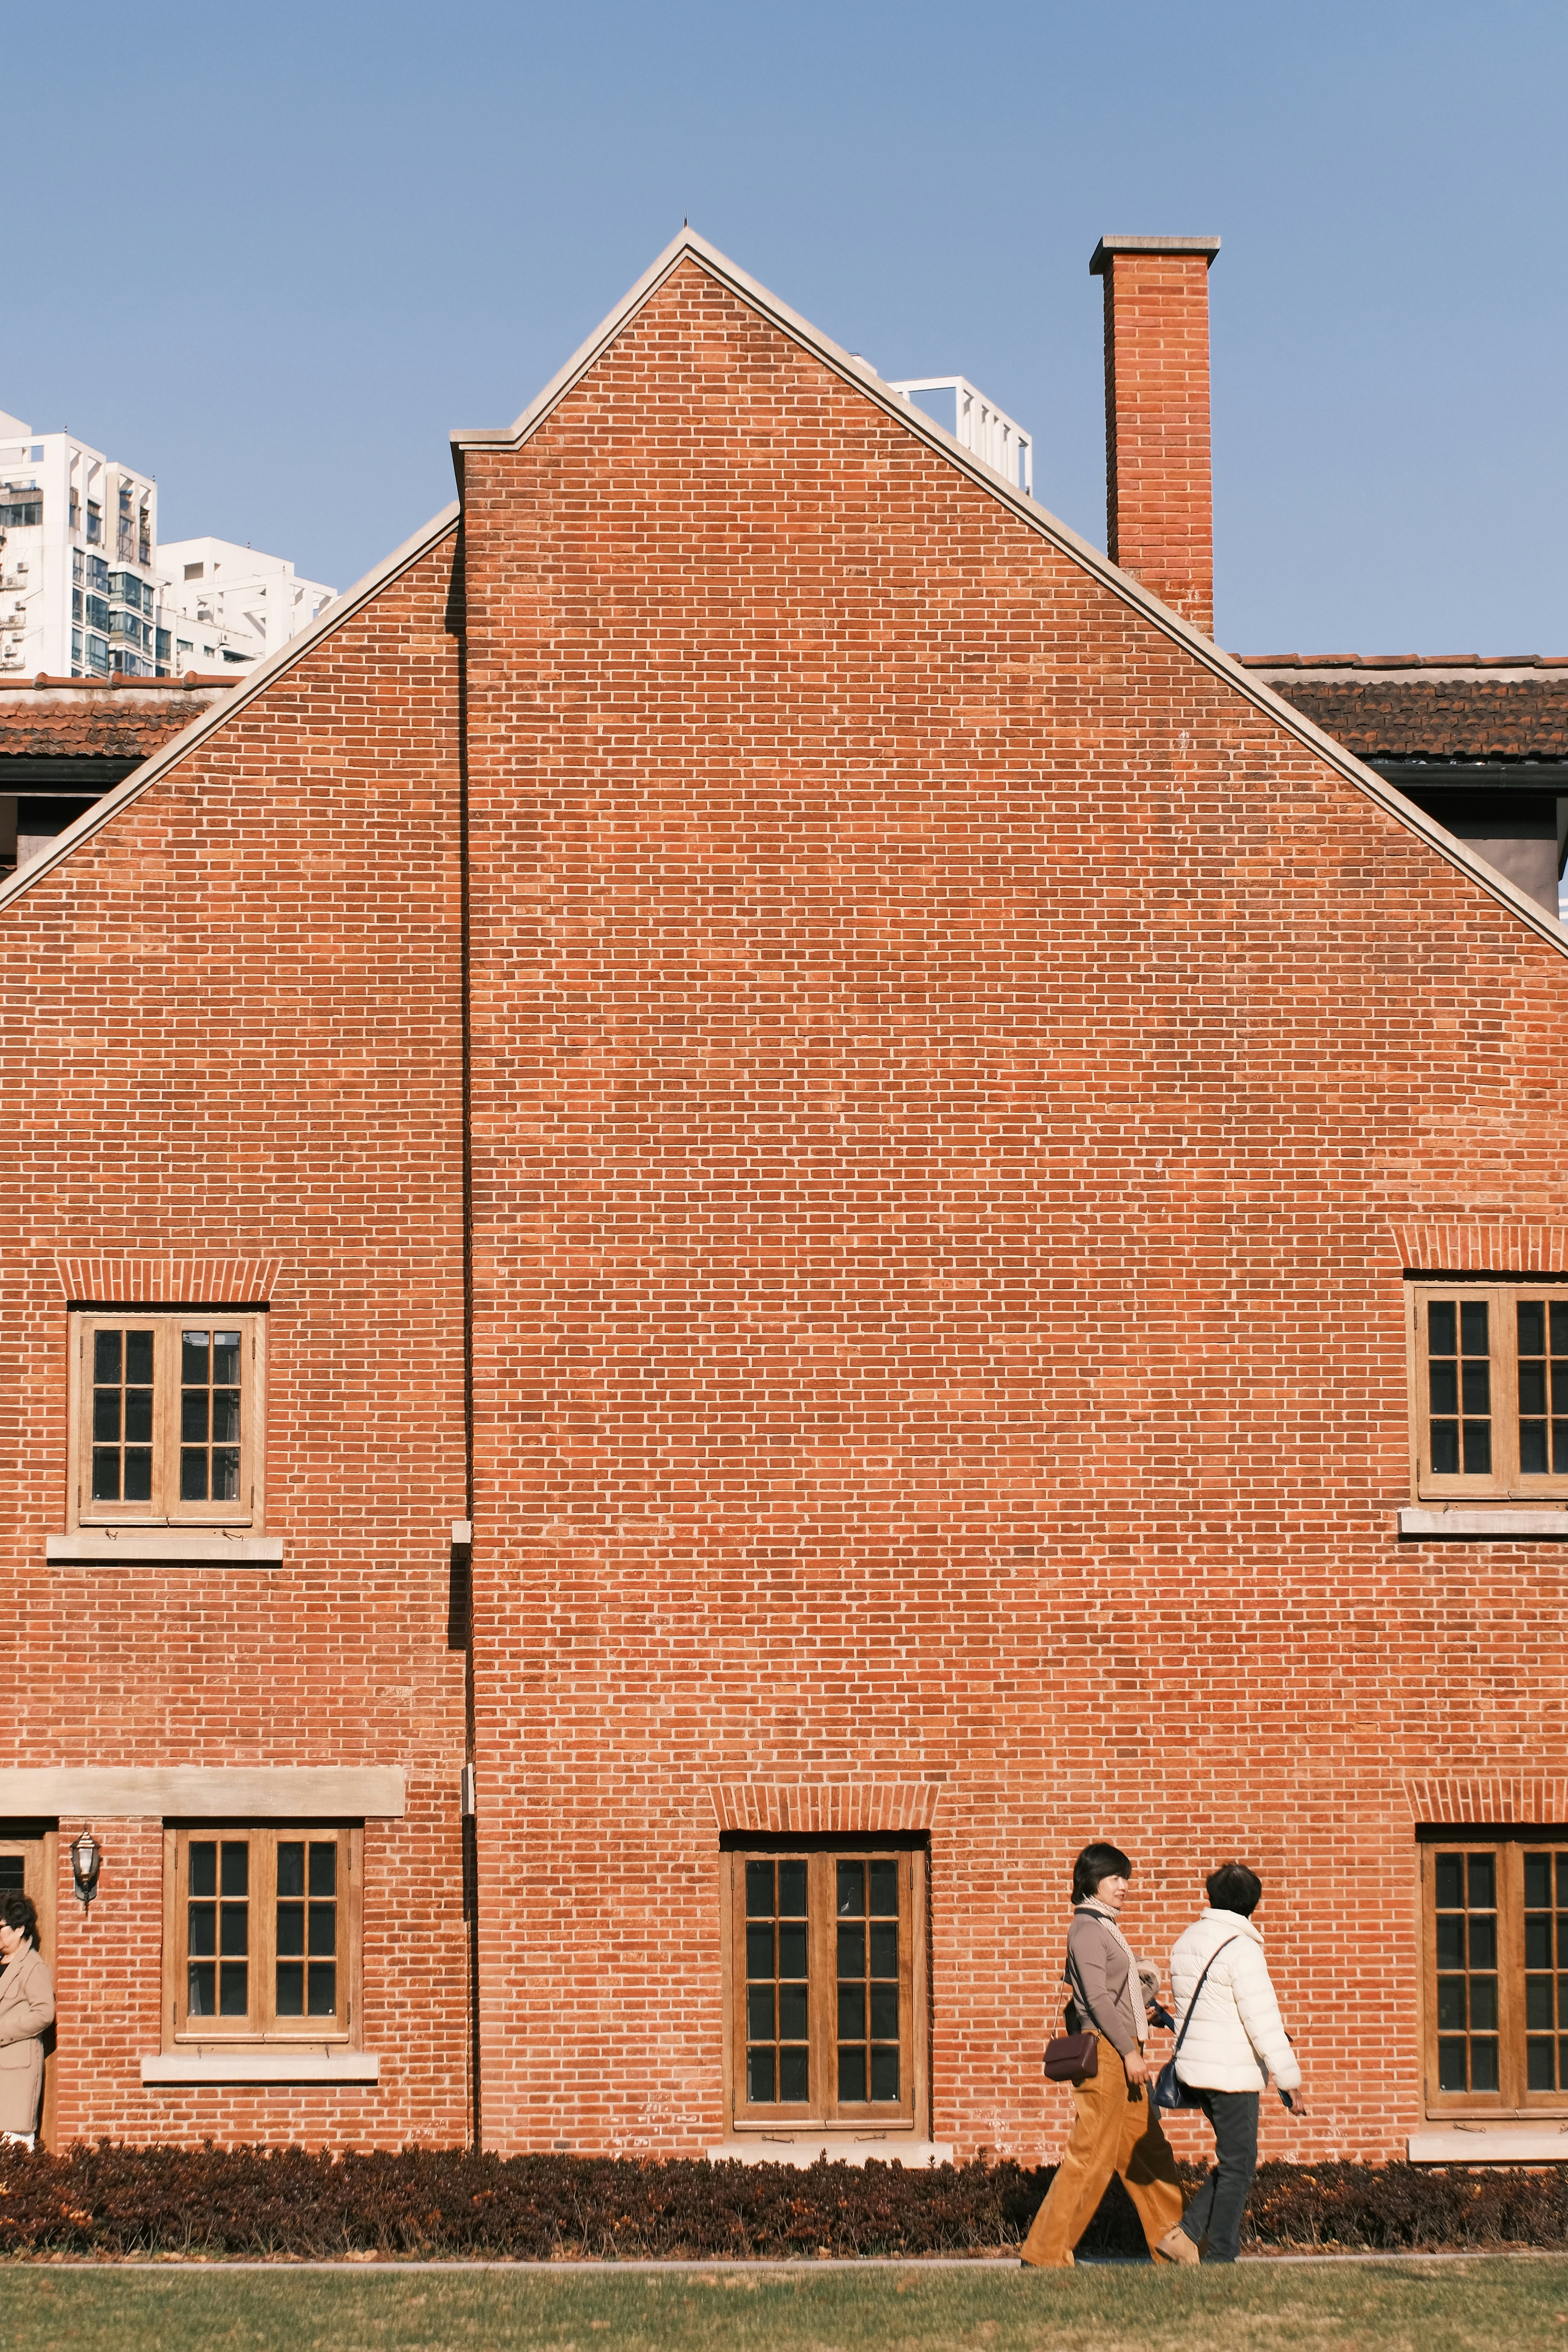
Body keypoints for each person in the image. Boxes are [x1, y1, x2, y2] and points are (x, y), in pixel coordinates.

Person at [1020, 1841, 1188, 2268]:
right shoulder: (1087, 1930)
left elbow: (1112, 1995)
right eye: (1114, 1878)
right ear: (1092, 1880)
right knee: (1091, 2156)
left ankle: (1177, 2248)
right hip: (1110, 2056)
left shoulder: (1104, 1926)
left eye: (1125, 1878)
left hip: (1124, 2049)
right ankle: (1044, 2255)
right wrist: (1130, 2051)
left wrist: (1142, 2017)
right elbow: (1094, 2000)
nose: (1123, 1885)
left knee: (1148, 2153)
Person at [1159, 1860, 1304, 2266]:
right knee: (1239, 2164)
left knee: (1234, 2159)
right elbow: (1262, 2020)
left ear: (1213, 1896)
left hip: (1195, 2070)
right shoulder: (1242, 1949)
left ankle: (1188, 2236)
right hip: (1230, 2073)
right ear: (1252, 1903)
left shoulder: (1187, 1940)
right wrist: (1288, 2079)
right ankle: (1219, 2254)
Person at [0, 1894, 54, 2151]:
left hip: (16, 2073)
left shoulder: (33, 1966)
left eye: (1, 1927)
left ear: (20, 1928)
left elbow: (44, 2014)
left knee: (14, 2147)